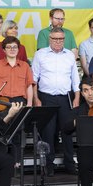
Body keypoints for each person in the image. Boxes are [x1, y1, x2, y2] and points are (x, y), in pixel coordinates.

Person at [32, 27, 80, 175]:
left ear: (64, 39)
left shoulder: (70, 56)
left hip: (66, 98)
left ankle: (70, 164)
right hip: (46, 98)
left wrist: (77, 97)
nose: (58, 42)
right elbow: (34, 79)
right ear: (49, 39)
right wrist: (36, 99)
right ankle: (48, 165)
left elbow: (75, 79)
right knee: (48, 132)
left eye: (61, 39)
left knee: (67, 132)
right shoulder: (40, 54)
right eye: (55, 39)